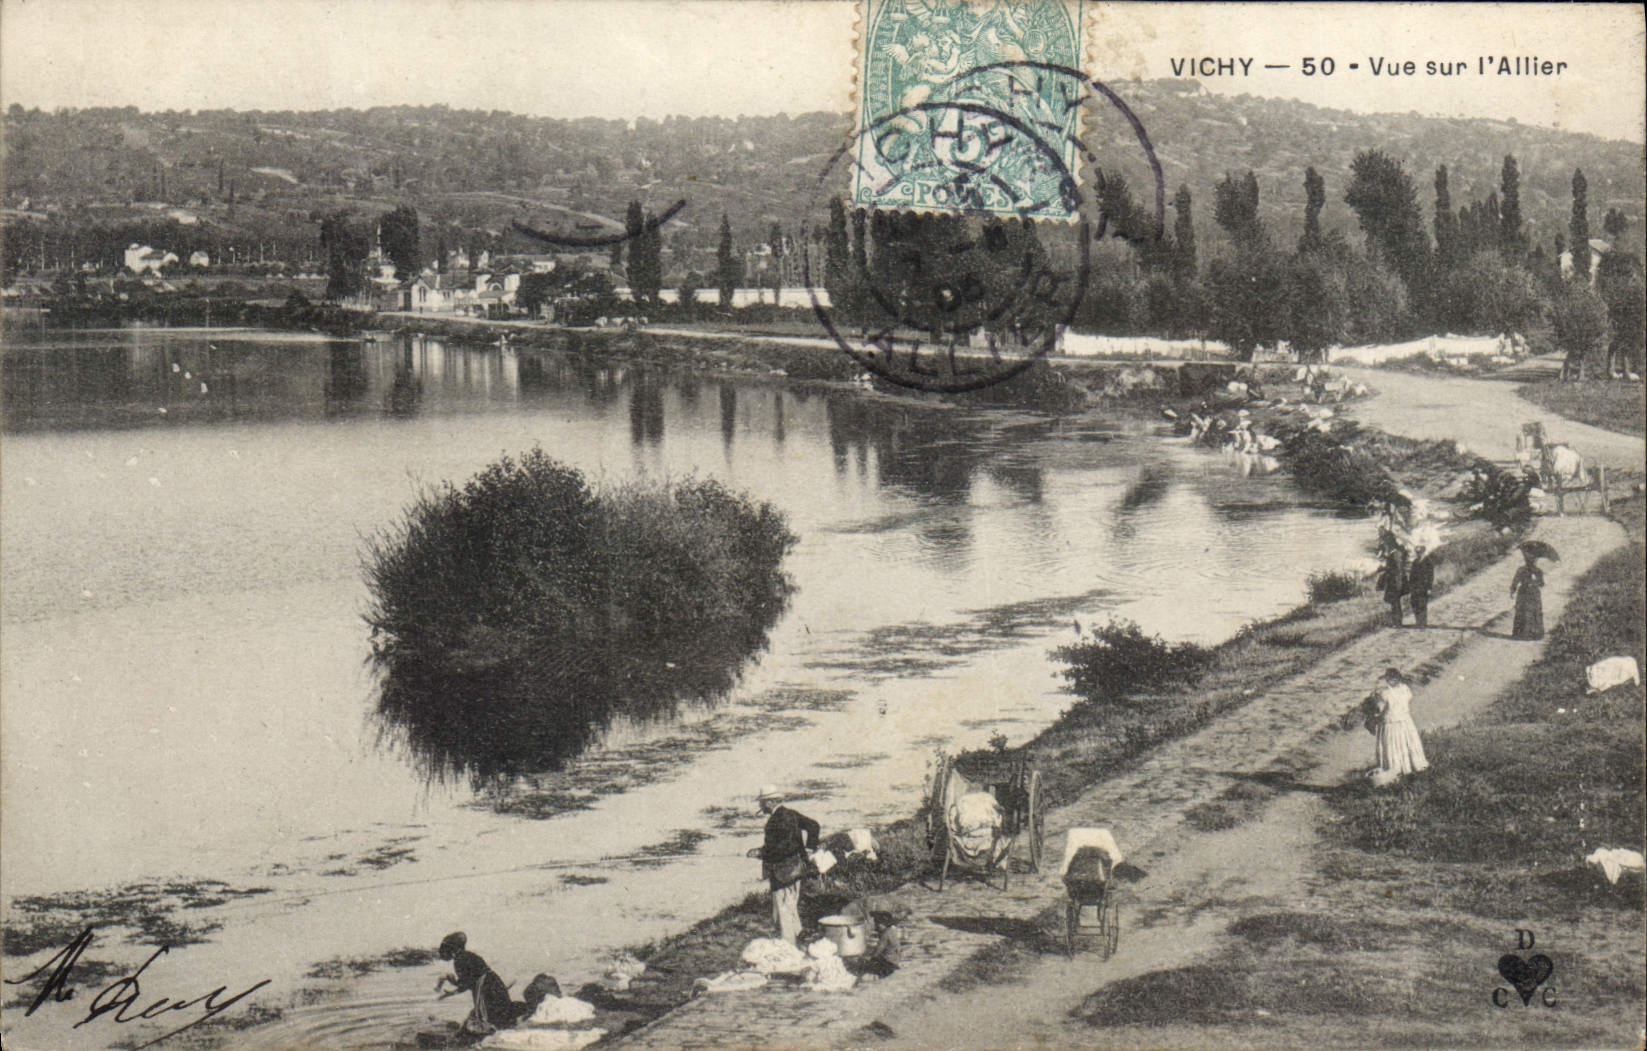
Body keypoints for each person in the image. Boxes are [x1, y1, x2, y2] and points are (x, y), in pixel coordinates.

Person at [757, 785, 819, 945]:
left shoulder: (779, 819)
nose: (760, 806)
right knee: (789, 903)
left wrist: (762, 853)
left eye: (761, 802)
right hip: (794, 868)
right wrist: (809, 849)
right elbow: (814, 826)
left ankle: (788, 945)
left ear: (769, 802)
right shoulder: (790, 814)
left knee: (783, 907)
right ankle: (799, 934)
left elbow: (785, 847)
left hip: (784, 870)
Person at [434, 931, 522, 1034]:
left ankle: (482, 1034)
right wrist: (453, 985)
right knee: (499, 1012)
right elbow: (469, 981)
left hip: (484, 988)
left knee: (483, 1017)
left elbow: (466, 984)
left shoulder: (459, 960)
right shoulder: (470, 955)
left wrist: (451, 986)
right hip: (495, 984)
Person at [1369, 668, 1428, 786]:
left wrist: (1373, 698)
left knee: (1393, 748)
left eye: (1388, 678)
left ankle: (1394, 774)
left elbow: (1379, 709)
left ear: (1389, 679)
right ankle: (1409, 771)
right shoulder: (1405, 690)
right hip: (1406, 723)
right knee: (1406, 746)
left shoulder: (1384, 693)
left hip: (1390, 725)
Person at [1510, 548, 1545, 640]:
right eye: (1529, 559)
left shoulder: (1538, 571)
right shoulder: (1522, 570)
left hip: (1533, 593)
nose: (1531, 561)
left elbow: (1542, 583)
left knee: (1534, 612)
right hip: (1524, 592)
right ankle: (1522, 633)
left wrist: (1535, 581)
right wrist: (1512, 590)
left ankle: (1533, 633)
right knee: (1523, 611)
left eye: (1533, 560)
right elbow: (1515, 581)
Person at [1379, 545, 1409, 627]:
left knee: (1395, 603)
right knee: (1394, 602)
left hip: (1395, 583)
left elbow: (1398, 570)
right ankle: (1396, 622)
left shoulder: (1395, 554)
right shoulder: (1392, 554)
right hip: (1392, 583)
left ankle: (1397, 622)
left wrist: (1399, 583)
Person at [1407, 545, 1436, 629]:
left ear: (1423, 552)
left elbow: (1431, 576)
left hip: (1424, 587)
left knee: (1422, 605)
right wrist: (1410, 587)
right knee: (1414, 604)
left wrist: (1429, 588)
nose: (1418, 554)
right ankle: (1418, 622)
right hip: (1415, 587)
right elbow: (1411, 576)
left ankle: (1423, 623)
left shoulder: (1428, 562)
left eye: (1420, 552)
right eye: (1417, 552)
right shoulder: (1415, 562)